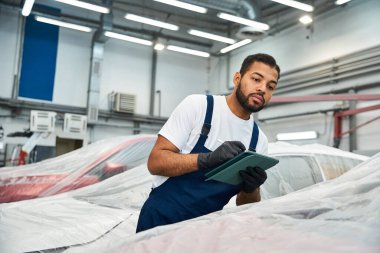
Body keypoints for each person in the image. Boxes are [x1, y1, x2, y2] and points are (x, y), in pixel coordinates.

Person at [136, 53, 280, 233]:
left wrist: (252, 188)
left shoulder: (258, 141)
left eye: (270, 86)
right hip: (160, 221)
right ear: (237, 78)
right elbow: (156, 162)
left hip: (202, 232)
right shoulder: (199, 106)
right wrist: (206, 159)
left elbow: (245, 206)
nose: (262, 89)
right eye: (256, 79)